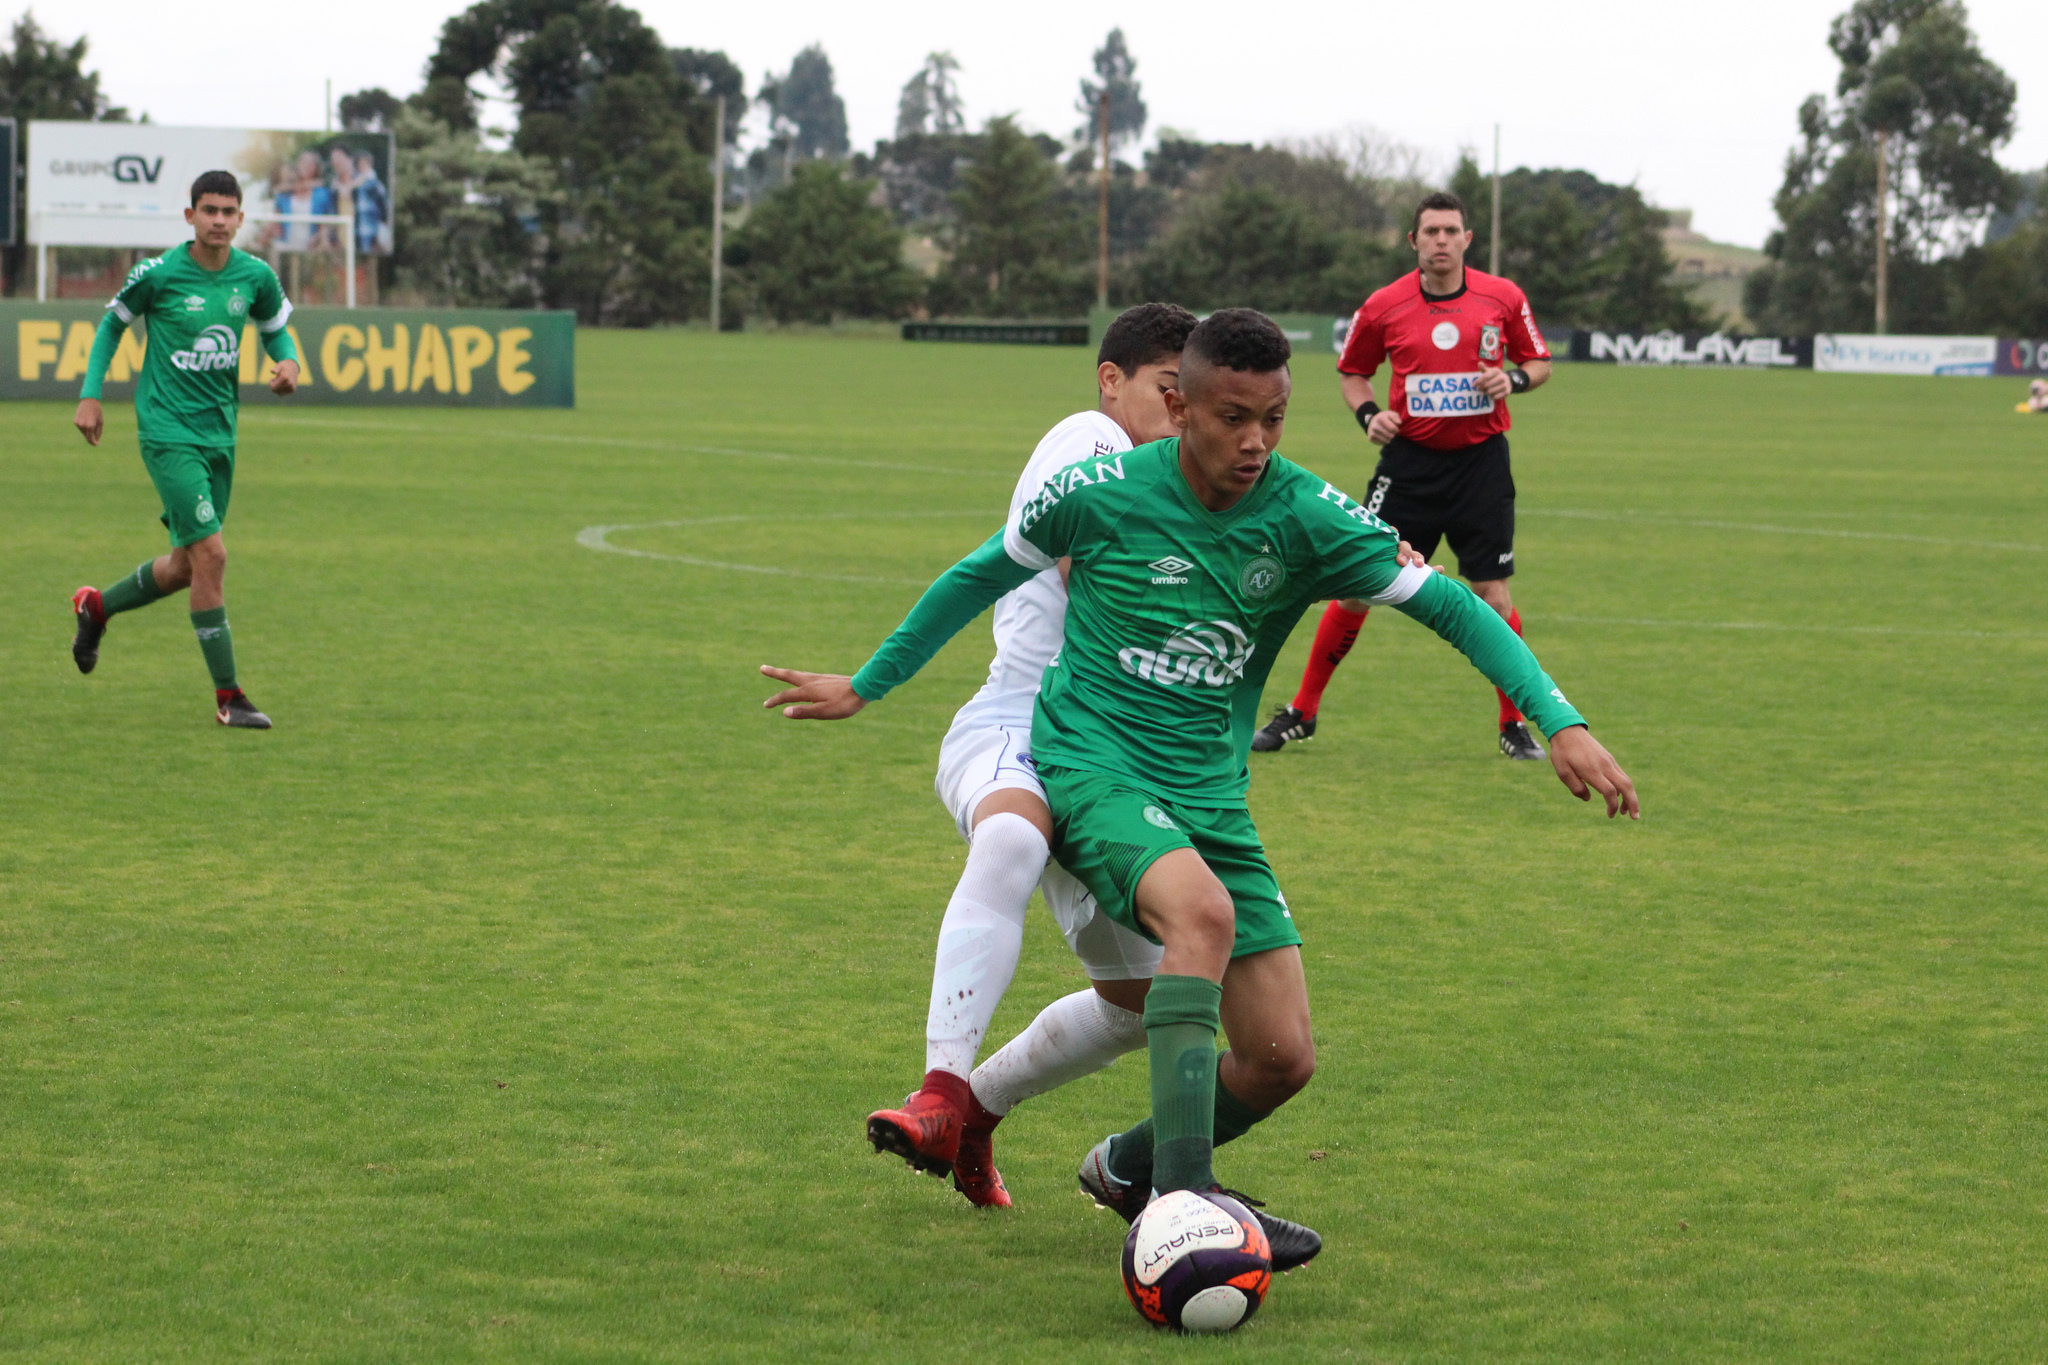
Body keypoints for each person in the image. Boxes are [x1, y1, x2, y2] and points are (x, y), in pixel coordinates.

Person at [764, 310, 1637, 1271]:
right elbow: (979, 574)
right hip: (1094, 765)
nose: (1255, 441)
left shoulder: (1307, 513)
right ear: (1180, 407)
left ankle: (1128, 1169)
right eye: (1232, 417)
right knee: (1201, 920)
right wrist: (867, 682)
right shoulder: (1101, 490)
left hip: (1210, 796)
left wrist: (1559, 719)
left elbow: (1453, 606)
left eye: (1273, 417)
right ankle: (1183, 1203)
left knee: (1280, 1058)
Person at [1253, 190, 1556, 761]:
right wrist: (1370, 415)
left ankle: (1515, 724)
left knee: (1492, 593)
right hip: (1408, 466)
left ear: (1468, 239)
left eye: (1451, 231)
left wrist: (1513, 380)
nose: (1441, 241)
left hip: (1481, 463)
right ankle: (1303, 712)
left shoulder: (1503, 297)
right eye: (1431, 232)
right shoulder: (1384, 306)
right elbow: (1353, 374)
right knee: (1357, 585)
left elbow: (1539, 362)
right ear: (1413, 241)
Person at [70, 169, 302, 728]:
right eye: (209, 210)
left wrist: (289, 360)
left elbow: (275, 329)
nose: (219, 220)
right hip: (167, 433)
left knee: (184, 567)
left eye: (228, 212)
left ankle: (95, 607)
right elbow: (111, 327)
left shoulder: (256, 276)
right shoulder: (160, 273)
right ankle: (230, 698)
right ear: (190, 216)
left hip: (221, 434)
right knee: (214, 557)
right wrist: (91, 394)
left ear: (241, 219)